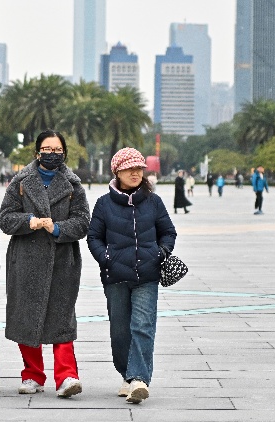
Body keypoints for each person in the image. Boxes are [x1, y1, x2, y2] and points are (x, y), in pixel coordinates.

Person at [0, 129, 90, 399]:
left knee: (62, 317)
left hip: (62, 261)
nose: (52, 154)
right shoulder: (21, 181)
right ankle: (32, 375)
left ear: (64, 152)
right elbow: (5, 219)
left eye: (57, 150)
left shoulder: (73, 185)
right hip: (26, 260)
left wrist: (59, 228)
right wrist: (29, 222)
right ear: (37, 152)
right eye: (47, 149)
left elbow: (83, 222)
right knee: (27, 316)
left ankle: (67, 376)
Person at [86, 147, 177, 404]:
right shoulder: (104, 204)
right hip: (115, 276)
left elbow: (168, 232)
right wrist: (106, 259)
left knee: (143, 326)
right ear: (117, 172)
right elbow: (94, 237)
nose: (136, 173)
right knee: (120, 332)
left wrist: (161, 253)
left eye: (139, 168)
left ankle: (139, 379)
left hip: (147, 275)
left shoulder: (153, 201)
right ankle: (127, 374)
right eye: (130, 169)